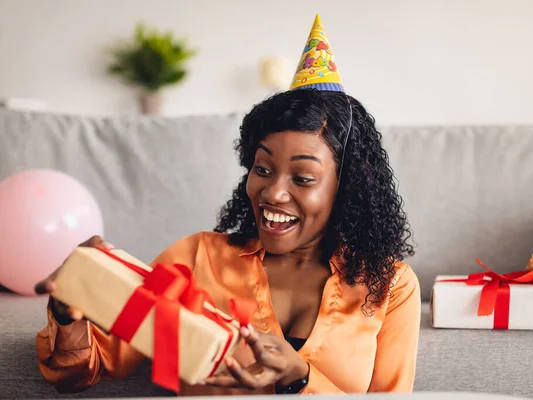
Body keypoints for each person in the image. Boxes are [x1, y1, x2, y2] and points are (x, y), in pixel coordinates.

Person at [34, 14, 421, 396]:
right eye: (263, 168)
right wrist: (69, 313)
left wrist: (300, 377)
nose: (273, 193)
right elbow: (91, 368)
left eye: (302, 178)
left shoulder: (391, 286)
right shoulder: (194, 259)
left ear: (347, 188)